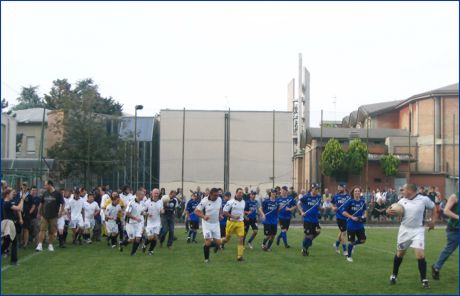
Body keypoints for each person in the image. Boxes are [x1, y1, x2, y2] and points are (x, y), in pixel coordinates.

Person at [387, 183, 436, 289]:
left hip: (418, 230)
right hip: (404, 230)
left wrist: (433, 221)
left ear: (409, 190)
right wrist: (389, 211)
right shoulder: (401, 201)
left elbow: (433, 207)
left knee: (420, 255)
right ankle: (394, 275)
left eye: (403, 190)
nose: (402, 192)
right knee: (400, 254)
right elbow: (391, 211)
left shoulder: (423, 199)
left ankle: (424, 280)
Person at [432, 192, 458, 280]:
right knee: (449, 249)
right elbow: (446, 211)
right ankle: (436, 267)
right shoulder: (455, 196)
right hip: (455, 228)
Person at [194, 188, 223, 263]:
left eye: (217, 195)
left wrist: (220, 215)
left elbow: (220, 208)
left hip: (216, 223)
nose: (216, 197)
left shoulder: (219, 199)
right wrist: (203, 216)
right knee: (208, 242)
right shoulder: (204, 200)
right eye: (215, 195)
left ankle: (212, 246)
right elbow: (196, 211)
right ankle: (206, 259)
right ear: (210, 194)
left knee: (219, 243)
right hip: (207, 224)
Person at [36, 180, 65, 252]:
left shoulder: (58, 193)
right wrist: (38, 213)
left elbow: (63, 203)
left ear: (50, 185)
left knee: (52, 232)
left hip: (54, 216)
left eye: (45, 185)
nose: (44, 186)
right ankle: (40, 245)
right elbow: (41, 203)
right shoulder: (45, 193)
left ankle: (50, 245)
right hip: (44, 215)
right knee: (42, 230)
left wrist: (61, 212)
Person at [341, 186, 367, 262]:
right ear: (353, 193)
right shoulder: (350, 201)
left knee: (363, 240)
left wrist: (364, 215)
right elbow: (343, 212)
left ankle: (353, 244)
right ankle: (349, 257)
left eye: (358, 191)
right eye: (355, 191)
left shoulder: (362, 201)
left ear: (360, 192)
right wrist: (351, 217)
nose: (357, 192)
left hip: (360, 225)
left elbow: (365, 210)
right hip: (351, 225)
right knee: (351, 241)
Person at [1, 188, 26, 265]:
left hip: (8, 224)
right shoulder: (7, 203)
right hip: (9, 224)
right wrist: (22, 199)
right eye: (12, 193)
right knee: (14, 242)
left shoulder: (8, 202)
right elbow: (19, 208)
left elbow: (17, 208)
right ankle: (13, 261)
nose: (13, 195)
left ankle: (13, 260)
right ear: (7, 194)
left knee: (6, 243)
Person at [298, 184, 322, 256]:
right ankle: (304, 250)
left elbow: (317, 206)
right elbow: (298, 204)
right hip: (307, 220)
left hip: (315, 220)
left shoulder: (318, 197)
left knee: (318, 232)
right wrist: (301, 212)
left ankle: (308, 242)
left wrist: (320, 210)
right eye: (315, 189)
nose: (317, 190)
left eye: (318, 189)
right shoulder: (306, 196)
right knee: (309, 236)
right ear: (312, 189)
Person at [222, 188, 246, 261]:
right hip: (231, 223)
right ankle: (218, 243)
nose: (240, 194)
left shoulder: (243, 202)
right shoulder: (230, 202)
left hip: (240, 223)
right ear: (236, 193)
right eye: (239, 192)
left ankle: (240, 256)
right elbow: (224, 212)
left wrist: (245, 216)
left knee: (241, 238)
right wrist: (234, 217)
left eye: (242, 193)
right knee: (226, 239)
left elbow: (241, 211)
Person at [122, 190, 146, 255]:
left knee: (138, 238)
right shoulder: (131, 203)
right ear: (138, 195)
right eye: (142, 195)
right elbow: (127, 213)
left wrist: (146, 213)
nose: (143, 196)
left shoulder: (142, 203)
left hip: (138, 224)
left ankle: (133, 253)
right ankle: (122, 243)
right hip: (130, 224)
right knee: (132, 239)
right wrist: (135, 218)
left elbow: (140, 212)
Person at [331, 183, 351, 255]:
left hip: (347, 217)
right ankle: (345, 250)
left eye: (340, 188)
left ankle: (336, 244)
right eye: (338, 188)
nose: (338, 189)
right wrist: (333, 208)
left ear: (344, 188)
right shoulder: (336, 196)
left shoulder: (349, 197)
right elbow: (332, 205)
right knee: (344, 233)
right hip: (340, 217)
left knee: (342, 232)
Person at [144, 188, 164, 255]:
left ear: (159, 194)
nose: (156, 194)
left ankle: (150, 251)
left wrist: (162, 211)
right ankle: (145, 244)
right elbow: (142, 211)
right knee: (150, 237)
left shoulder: (160, 201)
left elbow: (162, 209)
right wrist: (147, 213)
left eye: (157, 193)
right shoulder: (147, 202)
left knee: (155, 238)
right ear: (152, 193)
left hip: (157, 222)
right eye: (155, 193)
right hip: (149, 223)